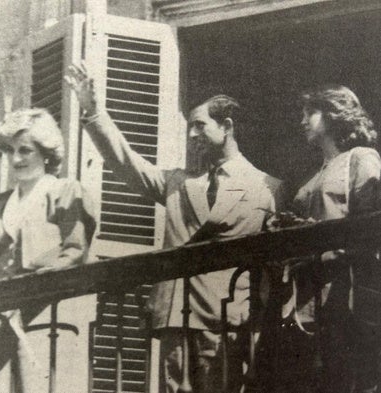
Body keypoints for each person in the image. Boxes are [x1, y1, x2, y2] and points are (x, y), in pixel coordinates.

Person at [65, 64, 284, 393]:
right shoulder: (178, 183)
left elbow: (271, 265)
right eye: (189, 129)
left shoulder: (267, 187)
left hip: (226, 318)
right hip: (176, 316)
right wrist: (94, 112)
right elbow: (127, 163)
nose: (192, 135)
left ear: (227, 126)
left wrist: (259, 323)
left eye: (199, 126)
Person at [0, 108, 96, 393]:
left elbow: (74, 253)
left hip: (47, 318)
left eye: (25, 150)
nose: (16, 159)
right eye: (10, 150)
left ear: (46, 153)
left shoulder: (65, 192)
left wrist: (30, 286)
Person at [276, 85, 381, 393]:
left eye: (310, 113)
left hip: (345, 293)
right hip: (309, 297)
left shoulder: (361, 158)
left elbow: (372, 222)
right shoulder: (316, 174)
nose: (303, 120)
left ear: (335, 115)